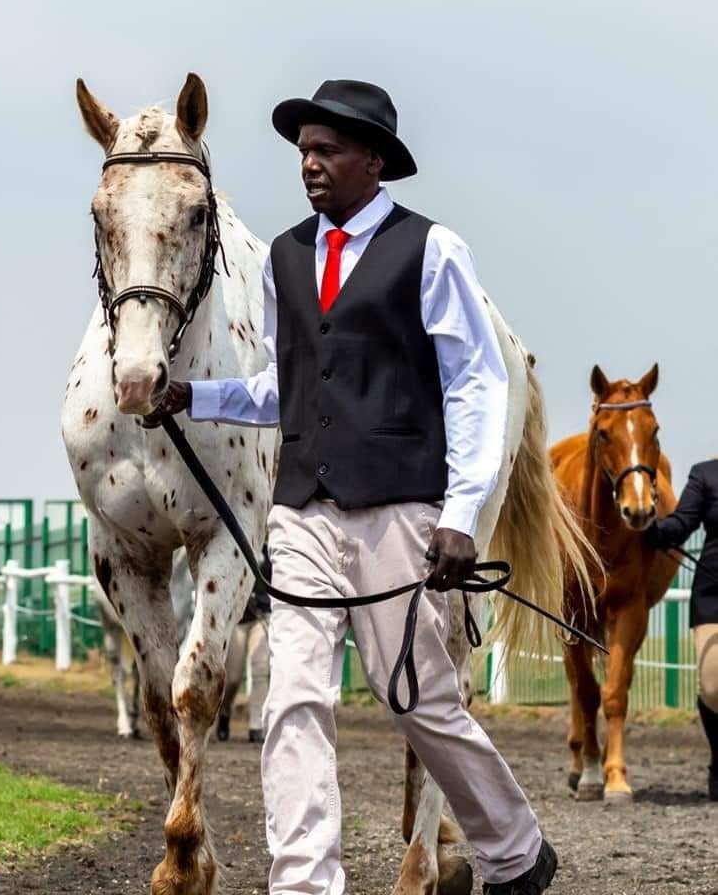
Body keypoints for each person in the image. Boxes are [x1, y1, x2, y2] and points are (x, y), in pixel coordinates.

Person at [148, 79, 556, 895]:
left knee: (417, 697)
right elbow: (284, 389)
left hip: (401, 510)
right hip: (302, 513)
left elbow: (477, 385)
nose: (310, 165)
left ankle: (516, 849)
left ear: (375, 161)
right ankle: (304, 882)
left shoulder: (432, 251)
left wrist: (463, 514)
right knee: (293, 698)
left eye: (328, 150)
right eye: (303, 151)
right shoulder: (288, 258)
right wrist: (197, 396)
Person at [646, 458, 718, 801]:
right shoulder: (706, 474)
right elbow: (680, 524)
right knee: (714, 686)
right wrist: (648, 525)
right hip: (713, 594)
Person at [217, 553, 272, 745]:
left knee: (261, 670)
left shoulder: (272, 548)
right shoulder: (237, 547)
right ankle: (224, 712)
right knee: (232, 678)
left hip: (262, 618)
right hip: (238, 621)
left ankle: (257, 725)